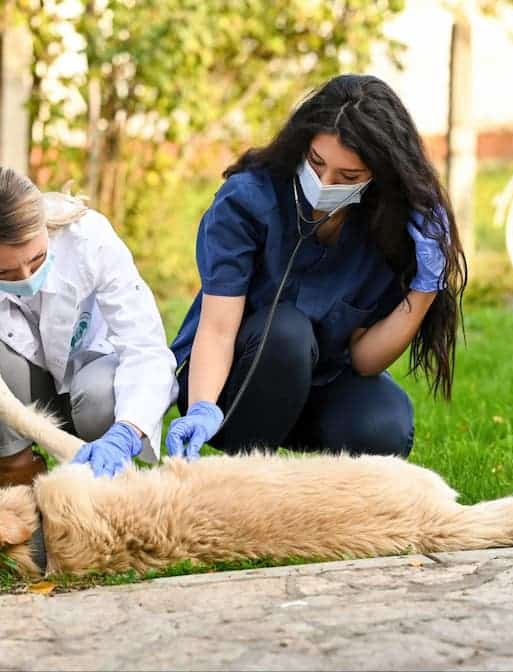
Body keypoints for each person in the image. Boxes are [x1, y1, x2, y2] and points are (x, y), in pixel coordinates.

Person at [166, 74, 467, 460]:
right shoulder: (248, 200)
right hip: (233, 387)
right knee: (288, 330)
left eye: (348, 177)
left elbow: (364, 358)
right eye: (316, 163)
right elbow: (218, 328)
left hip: (318, 387)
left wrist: (426, 288)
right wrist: (204, 406)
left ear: (379, 176)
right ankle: (247, 479)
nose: (325, 183)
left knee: (385, 425)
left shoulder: (387, 226)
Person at [0, 165, 177, 487]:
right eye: (5, 273)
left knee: (101, 395)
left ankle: (103, 483)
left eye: (37, 259)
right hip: (17, 396)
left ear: (44, 226)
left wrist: (126, 431)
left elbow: (146, 348)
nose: (26, 278)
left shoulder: (88, 239)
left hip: (91, 385)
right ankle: (19, 480)